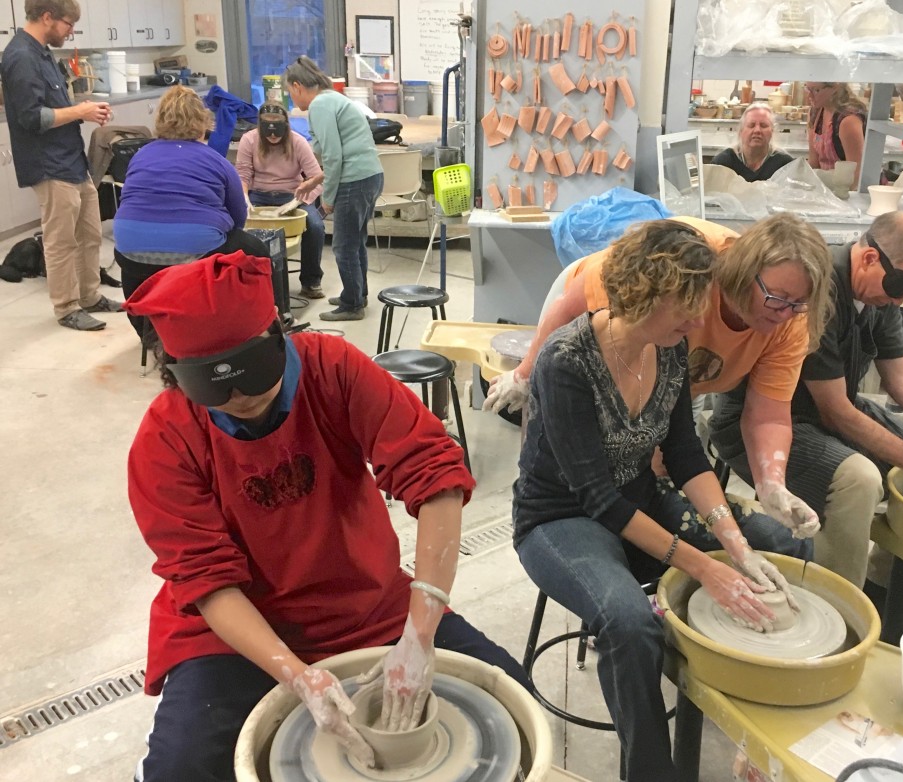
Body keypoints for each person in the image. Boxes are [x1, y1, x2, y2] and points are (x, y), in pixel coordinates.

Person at [123, 251, 529, 781]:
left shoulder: (331, 368)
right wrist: (296, 675)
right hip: (233, 629)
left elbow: (434, 475)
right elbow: (206, 580)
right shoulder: (165, 437)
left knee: (518, 703)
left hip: (362, 605)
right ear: (174, 374)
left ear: (278, 334)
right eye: (214, 386)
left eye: (252, 373)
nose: (240, 397)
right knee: (180, 768)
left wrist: (421, 632)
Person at [513, 221, 811, 782]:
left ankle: (763, 737)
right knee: (629, 623)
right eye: (689, 306)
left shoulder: (668, 351)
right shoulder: (566, 361)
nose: (701, 321)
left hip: (640, 500)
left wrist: (734, 544)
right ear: (648, 292)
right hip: (560, 518)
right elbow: (597, 498)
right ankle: (653, 773)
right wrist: (705, 567)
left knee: (777, 544)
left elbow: (685, 456)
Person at [487, 214, 834, 542]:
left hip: (666, 374)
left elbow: (766, 416)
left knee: (660, 480)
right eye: (777, 299)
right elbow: (569, 307)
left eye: (799, 304)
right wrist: (524, 373)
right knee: (594, 484)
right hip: (590, 315)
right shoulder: (684, 264)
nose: (787, 313)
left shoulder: (787, 318)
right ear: (744, 274)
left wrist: (772, 485)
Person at [730, 212, 903, 611]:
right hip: (772, 421)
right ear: (869, 259)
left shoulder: (879, 294)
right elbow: (837, 414)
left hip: (832, 410)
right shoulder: (816, 291)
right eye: (900, 286)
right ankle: (834, 612)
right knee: (859, 482)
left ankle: (882, 591)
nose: (900, 300)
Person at [0, 0, 123, 331]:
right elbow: (31, 117)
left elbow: (54, 107)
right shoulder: (21, 57)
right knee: (61, 240)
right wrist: (81, 112)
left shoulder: (42, 53)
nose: (71, 32)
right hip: (49, 165)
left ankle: (89, 296)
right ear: (47, 17)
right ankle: (67, 307)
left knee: (90, 234)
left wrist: (81, 109)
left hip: (70, 159)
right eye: (68, 24)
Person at [113, 86, 269, 337]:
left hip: (131, 248)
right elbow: (239, 217)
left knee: (135, 256)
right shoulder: (215, 160)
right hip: (197, 251)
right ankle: (258, 323)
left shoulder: (141, 155)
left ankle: (149, 334)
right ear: (202, 121)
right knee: (257, 251)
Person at [286, 56, 384, 322]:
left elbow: (333, 155)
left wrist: (327, 198)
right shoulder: (334, 99)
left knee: (343, 246)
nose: (292, 100)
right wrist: (315, 181)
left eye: (289, 93)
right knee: (355, 242)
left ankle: (352, 305)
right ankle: (357, 294)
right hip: (369, 176)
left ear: (297, 86)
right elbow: (341, 151)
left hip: (354, 181)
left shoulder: (321, 104)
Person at [235, 101, 327, 299]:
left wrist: (296, 201)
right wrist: (243, 198)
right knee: (238, 226)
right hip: (258, 195)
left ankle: (311, 281)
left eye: (277, 130)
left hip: (293, 195)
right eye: (268, 131)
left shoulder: (298, 142)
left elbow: (317, 178)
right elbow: (242, 175)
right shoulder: (249, 140)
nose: (273, 135)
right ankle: (252, 283)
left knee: (316, 226)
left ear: (286, 125)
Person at [710, 103, 794, 182]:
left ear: (772, 131)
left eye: (763, 125)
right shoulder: (723, 164)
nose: (757, 130)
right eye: (751, 125)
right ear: (741, 131)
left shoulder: (785, 166)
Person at [806, 82, 868, 186]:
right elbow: (813, 163)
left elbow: (857, 176)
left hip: (850, 190)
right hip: (828, 188)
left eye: (816, 90)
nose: (809, 96)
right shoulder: (815, 112)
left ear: (835, 88)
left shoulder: (848, 121)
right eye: (808, 89)